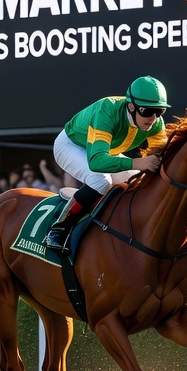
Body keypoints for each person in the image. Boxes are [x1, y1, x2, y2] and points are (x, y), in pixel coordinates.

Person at [43, 76, 168, 251]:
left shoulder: (155, 123)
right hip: (71, 145)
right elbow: (96, 161)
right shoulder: (107, 110)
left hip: (106, 152)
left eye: (160, 111)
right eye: (147, 111)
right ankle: (58, 229)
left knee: (138, 180)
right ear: (131, 107)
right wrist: (137, 163)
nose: (153, 118)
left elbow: (163, 157)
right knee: (101, 181)